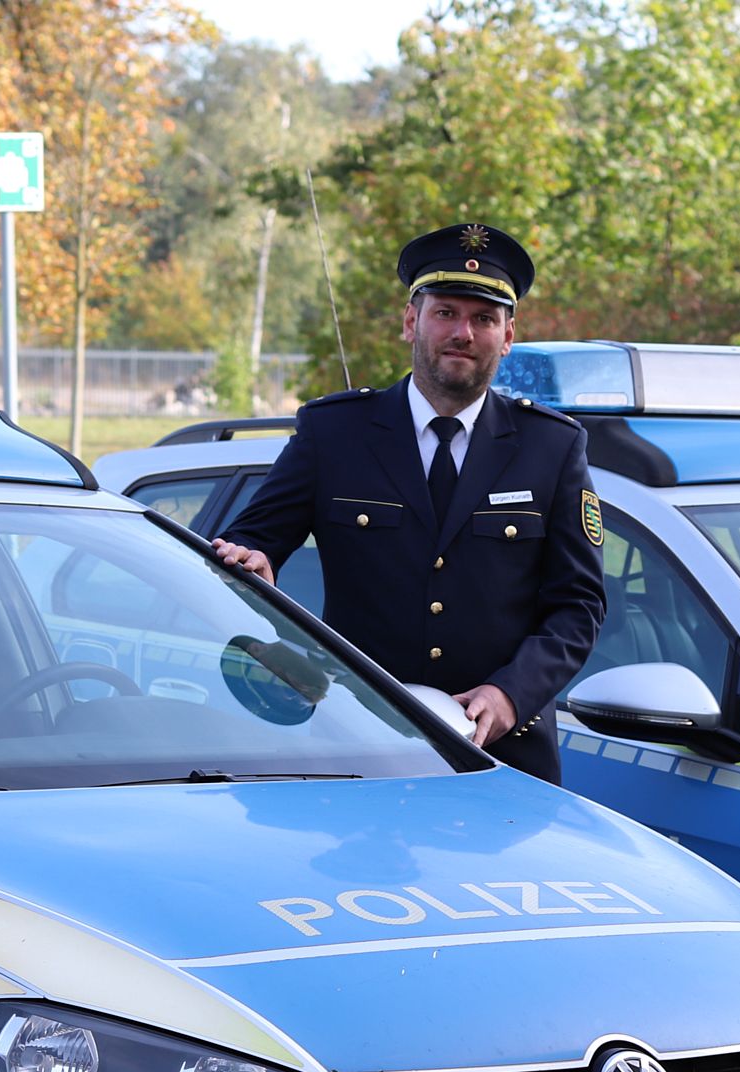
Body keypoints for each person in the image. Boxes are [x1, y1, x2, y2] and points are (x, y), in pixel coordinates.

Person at [212, 221, 605, 782]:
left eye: (484, 319)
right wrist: (251, 558)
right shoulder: (336, 433)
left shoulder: (552, 447)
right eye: (445, 312)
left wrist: (511, 695)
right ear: (410, 321)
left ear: (508, 336)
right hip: (354, 743)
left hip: (499, 759)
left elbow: (579, 605)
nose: (463, 333)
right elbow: (252, 539)